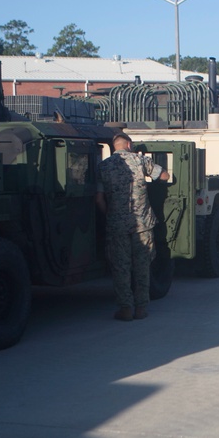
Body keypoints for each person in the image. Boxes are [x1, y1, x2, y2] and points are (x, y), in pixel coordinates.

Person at [96, 133, 169, 321]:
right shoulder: (140, 160)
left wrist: (110, 215)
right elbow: (164, 175)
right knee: (142, 266)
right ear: (129, 144)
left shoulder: (103, 166)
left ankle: (125, 309)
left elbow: (99, 198)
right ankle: (141, 308)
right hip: (142, 224)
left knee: (121, 267)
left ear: (114, 147)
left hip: (117, 226)